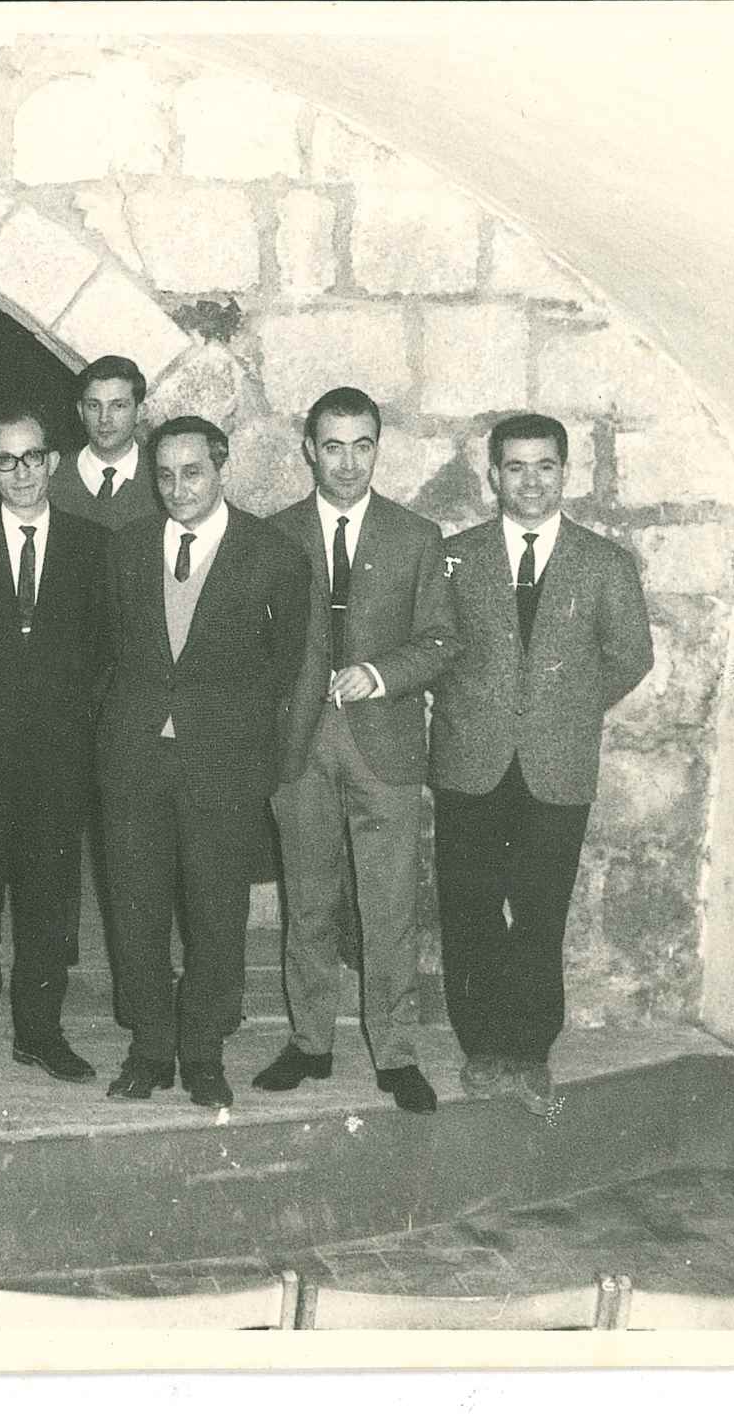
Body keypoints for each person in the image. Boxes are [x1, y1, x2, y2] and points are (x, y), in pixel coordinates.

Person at [432, 413, 654, 1117]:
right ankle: (482, 1046)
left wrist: (567, 709)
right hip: (471, 757)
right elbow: (432, 646)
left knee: (539, 910)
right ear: (493, 474)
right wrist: (477, 703)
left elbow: (630, 655)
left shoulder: (604, 562)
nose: (531, 480)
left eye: (545, 466)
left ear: (567, 471)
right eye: (516, 467)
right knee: (467, 906)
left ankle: (529, 1049)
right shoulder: (455, 556)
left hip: (557, 765)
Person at [253, 388, 462, 1116]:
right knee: (307, 901)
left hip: (387, 745)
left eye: (362, 445)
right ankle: (310, 1042)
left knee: (390, 908)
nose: (347, 461)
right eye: (332, 445)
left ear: (379, 447)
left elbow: (442, 639)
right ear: (310, 449)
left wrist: (379, 674)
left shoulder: (416, 535)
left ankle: (396, 1052)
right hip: (300, 747)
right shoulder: (273, 535)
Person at [97, 415, 309, 1109]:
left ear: (221, 469)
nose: (178, 487)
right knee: (136, 907)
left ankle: (203, 1051)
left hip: (224, 763)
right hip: (134, 760)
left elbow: (285, 667)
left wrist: (232, 732)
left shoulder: (273, 554)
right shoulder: (126, 547)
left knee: (217, 910)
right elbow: (112, 652)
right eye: (164, 474)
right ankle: (150, 1048)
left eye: (192, 472)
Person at [0, 404, 111, 1085]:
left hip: (59, 757)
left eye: (33, 457)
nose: (23, 472)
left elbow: (105, 651)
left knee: (49, 900)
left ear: (53, 461)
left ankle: (41, 1032)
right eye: (7, 460)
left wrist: (77, 729)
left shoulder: (92, 545)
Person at [49, 355, 160, 531]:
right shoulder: (52, 478)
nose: (104, 419)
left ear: (140, 412)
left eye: (118, 406)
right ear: (80, 411)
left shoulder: (161, 477)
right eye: (94, 405)